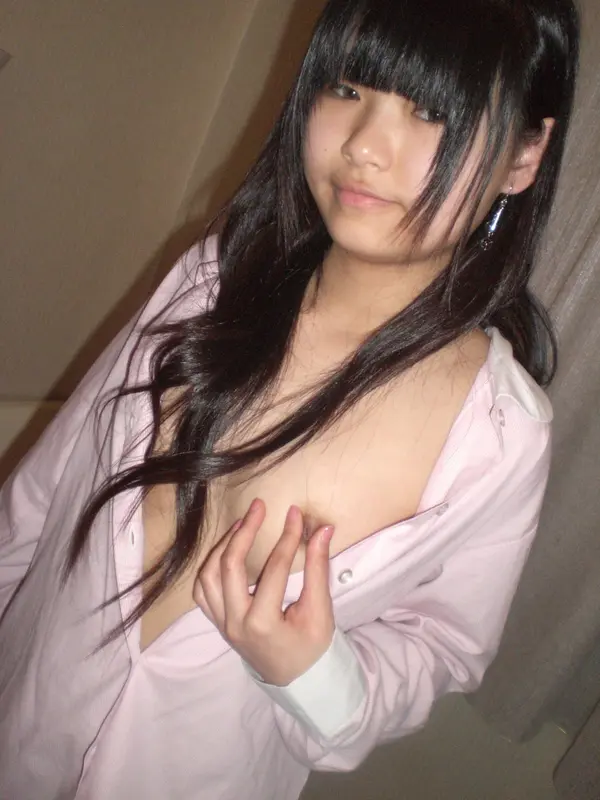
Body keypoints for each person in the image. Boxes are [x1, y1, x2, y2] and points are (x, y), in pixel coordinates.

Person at [0, 0, 580, 798]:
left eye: (431, 111)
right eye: (347, 89)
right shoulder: (212, 281)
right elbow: (44, 492)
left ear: (525, 154)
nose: (363, 145)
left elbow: (443, 644)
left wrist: (315, 673)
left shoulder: (499, 434)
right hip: (24, 718)